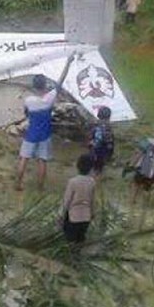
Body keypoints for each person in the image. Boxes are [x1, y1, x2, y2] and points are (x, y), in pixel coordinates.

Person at [16, 53, 76, 191]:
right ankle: (40, 188)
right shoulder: (50, 97)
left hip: (31, 135)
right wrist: (68, 62)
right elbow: (61, 80)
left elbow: (26, 113)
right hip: (45, 135)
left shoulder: (29, 100)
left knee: (23, 159)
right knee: (42, 161)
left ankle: (18, 185)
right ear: (45, 85)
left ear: (34, 86)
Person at [126, 126, 154, 204]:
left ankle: (132, 202)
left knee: (136, 184)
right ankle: (145, 207)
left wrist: (131, 164)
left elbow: (139, 153)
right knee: (147, 188)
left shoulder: (147, 141)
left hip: (143, 167)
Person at [60, 154, 96, 244]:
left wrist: (61, 215)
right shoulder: (92, 182)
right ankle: (78, 255)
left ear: (77, 166)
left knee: (70, 241)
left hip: (73, 217)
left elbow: (67, 201)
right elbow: (92, 201)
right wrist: (93, 213)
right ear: (91, 168)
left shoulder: (72, 182)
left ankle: (71, 256)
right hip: (86, 217)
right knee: (81, 239)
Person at [89, 106, 114, 176]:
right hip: (102, 148)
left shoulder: (95, 123)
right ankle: (98, 174)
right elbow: (108, 139)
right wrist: (110, 151)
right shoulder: (107, 126)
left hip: (93, 146)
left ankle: (94, 171)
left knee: (94, 161)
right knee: (100, 163)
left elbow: (91, 134)